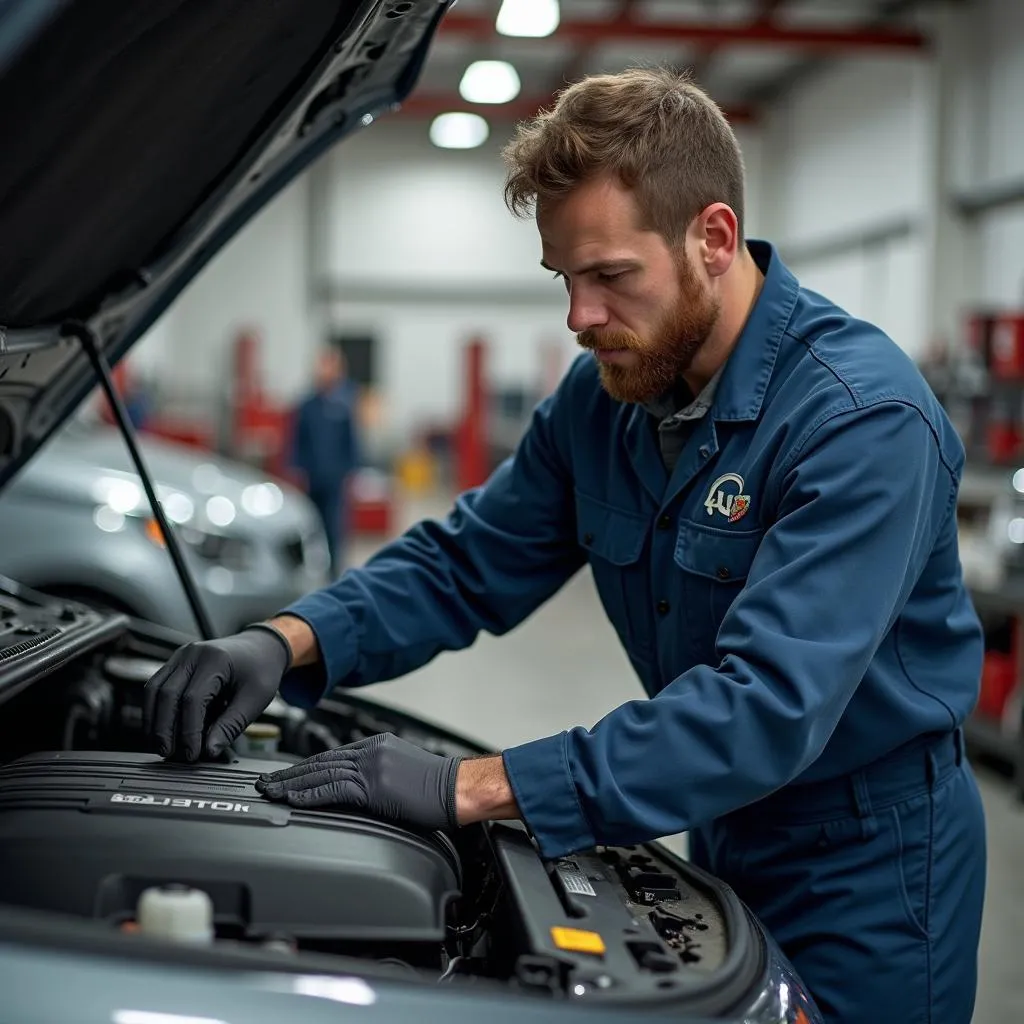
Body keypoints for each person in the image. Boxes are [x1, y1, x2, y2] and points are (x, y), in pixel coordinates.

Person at [143, 68, 986, 1022]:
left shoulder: (859, 419)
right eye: (566, 280)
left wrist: (470, 786)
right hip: (721, 823)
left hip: (870, 864)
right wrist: (288, 639)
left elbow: (763, 707)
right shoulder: (606, 401)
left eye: (611, 277)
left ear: (712, 237)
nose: (578, 318)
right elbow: (468, 561)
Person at [289, 347, 360, 575]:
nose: (325, 371)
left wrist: (351, 471)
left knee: (334, 530)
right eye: (322, 366)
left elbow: (352, 441)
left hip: (335, 480)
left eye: (330, 367)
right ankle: (312, 572)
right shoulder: (307, 405)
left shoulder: (344, 404)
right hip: (311, 478)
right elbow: (296, 440)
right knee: (310, 527)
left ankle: (333, 575)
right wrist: (296, 469)